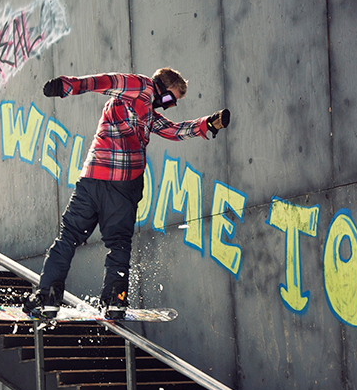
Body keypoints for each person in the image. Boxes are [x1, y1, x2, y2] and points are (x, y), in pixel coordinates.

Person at [24, 68, 229, 320]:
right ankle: (114, 300)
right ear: (160, 87)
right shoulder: (140, 86)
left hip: (95, 178)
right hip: (121, 186)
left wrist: (206, 123)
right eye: (168, 100)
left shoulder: (147, 115)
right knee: (118, 243)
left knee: (69, 237)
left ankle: (49, 297)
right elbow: (105, 82)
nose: (167, 106)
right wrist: (67, 86)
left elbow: (173, 130)